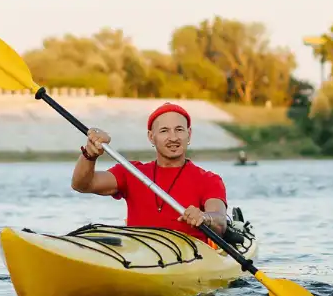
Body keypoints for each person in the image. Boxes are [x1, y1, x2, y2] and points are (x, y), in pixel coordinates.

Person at [70, 101, 229, 238]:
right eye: (164, 131)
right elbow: (82, 185)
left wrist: (204, 217)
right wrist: (90, 154)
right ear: (151, 137)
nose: (173, 137)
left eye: (179, 129)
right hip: (140, 256)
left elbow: (220, 222)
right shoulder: (130, 172)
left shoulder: (209, 179)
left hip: (190, 261)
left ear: (189, 134)